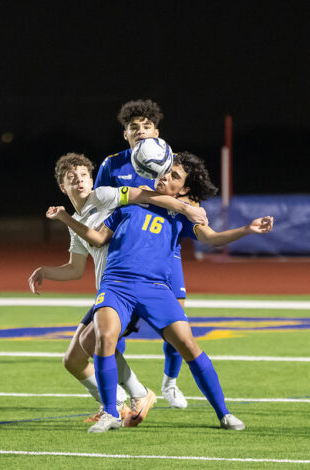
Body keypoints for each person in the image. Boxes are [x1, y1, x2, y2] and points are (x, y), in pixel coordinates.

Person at [47, 152, 273, 433]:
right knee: (103, 339)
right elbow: (97, 237)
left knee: (189, 346)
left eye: (174, 176)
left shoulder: (182, 211)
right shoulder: (132, 201)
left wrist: (246, 229)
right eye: (164, 172)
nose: (165, 177)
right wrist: (67, 219)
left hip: (155, 288)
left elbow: (212, 239)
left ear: (185, 189)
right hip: (116, 284)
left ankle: (224, 413)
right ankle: (110, 413)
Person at [28, 152, 207, 426]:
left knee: (94, 346)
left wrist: (186, 208)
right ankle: (130, 398)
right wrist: (45, 272)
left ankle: (121, 403)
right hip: (109, 290)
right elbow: (75, 269)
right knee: (73, 359)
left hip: (128, 287)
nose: (80, 181)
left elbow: (144, 195)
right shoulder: (76, 220)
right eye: (71, 178)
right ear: (62, 187)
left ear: (92, 179)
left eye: (84, 175)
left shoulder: (103, 195)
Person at [94, 99, 190, 408]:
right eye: (133, 127)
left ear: (156, 131)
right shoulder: (113, 165)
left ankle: (170, 382)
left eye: (146, 126)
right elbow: (98, 206)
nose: (140, 131)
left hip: (165, 251)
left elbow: (189, 196)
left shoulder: (171, 161)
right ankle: (120, 394)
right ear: (126, 135)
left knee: (178, 317)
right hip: (125, 251)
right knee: (113, 323)